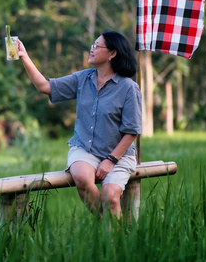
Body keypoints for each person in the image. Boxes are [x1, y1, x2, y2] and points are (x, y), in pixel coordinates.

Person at [17, 30, 142, 218]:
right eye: (93, 45)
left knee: (111, 197)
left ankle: (116, 242)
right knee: (82, 178)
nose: (91, 49)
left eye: (97, 46)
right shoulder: (83, 79)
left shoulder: (128, 88)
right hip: (85, 149)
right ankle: (108, 226)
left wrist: (110, 160)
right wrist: (24, 56)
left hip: (119, 154)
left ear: (112, 53)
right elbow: (45, 86)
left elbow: (132, 131)